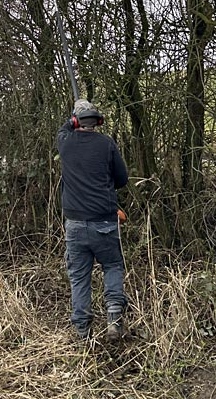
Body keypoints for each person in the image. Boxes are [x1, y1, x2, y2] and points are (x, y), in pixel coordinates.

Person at [57, 98, 129, 342]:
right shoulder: (106, 144)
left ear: (75, 121)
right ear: (97, 122)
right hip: (105, 222)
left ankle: (81, 331)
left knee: (79, 276)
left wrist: (72, 119)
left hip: (75, 224)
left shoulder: (65, 143)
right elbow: (122, 179)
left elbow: (63, 130)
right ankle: (114, 319)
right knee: (113, 265)